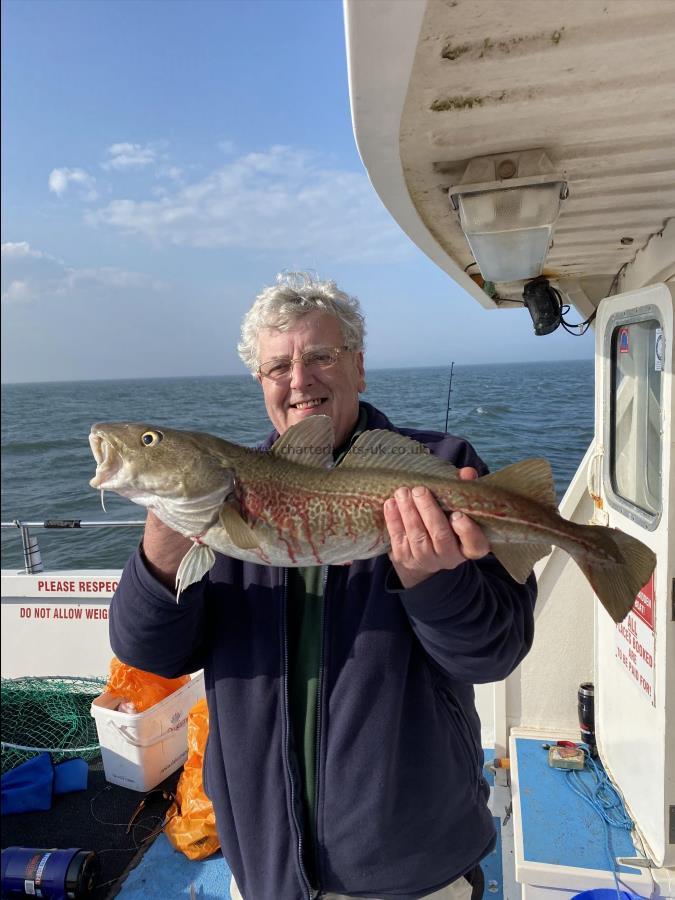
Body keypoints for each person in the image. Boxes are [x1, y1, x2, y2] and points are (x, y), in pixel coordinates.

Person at [110, 272, 537, 900]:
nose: (300, 381)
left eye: (320, 357)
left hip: (414, 871)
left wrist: (430, 583)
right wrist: (163, 547)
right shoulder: (220, 503)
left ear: (359, 368)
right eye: (277, 366)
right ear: (260, 382)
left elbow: (493, 653)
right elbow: (149, 653)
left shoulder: (439, 470)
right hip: (266, 868)